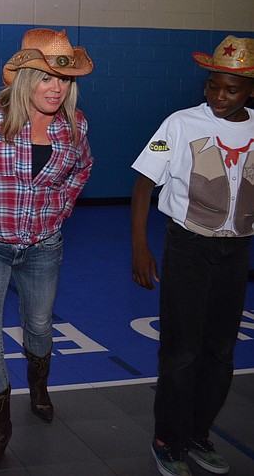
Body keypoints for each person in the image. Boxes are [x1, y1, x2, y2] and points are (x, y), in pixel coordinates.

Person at [0, 28, 93, 474]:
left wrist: (62, 205)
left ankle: (39, 386)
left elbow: (83, 166)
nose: (56, 88)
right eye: (47, 78)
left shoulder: (76, 123)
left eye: (64, 80)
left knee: (40, 330)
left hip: (44, 247)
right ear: (26, 77)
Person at [131, 35, 254, 476]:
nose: (220, 96)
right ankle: (168, 440)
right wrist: (141, 248)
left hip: (237, 250)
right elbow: (145, 182)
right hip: (188, 247)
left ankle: (199, 433)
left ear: (250, 90)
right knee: (181, 352)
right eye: (213, 86)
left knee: (221, 352)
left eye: (232, 89)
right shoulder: (179, 125)